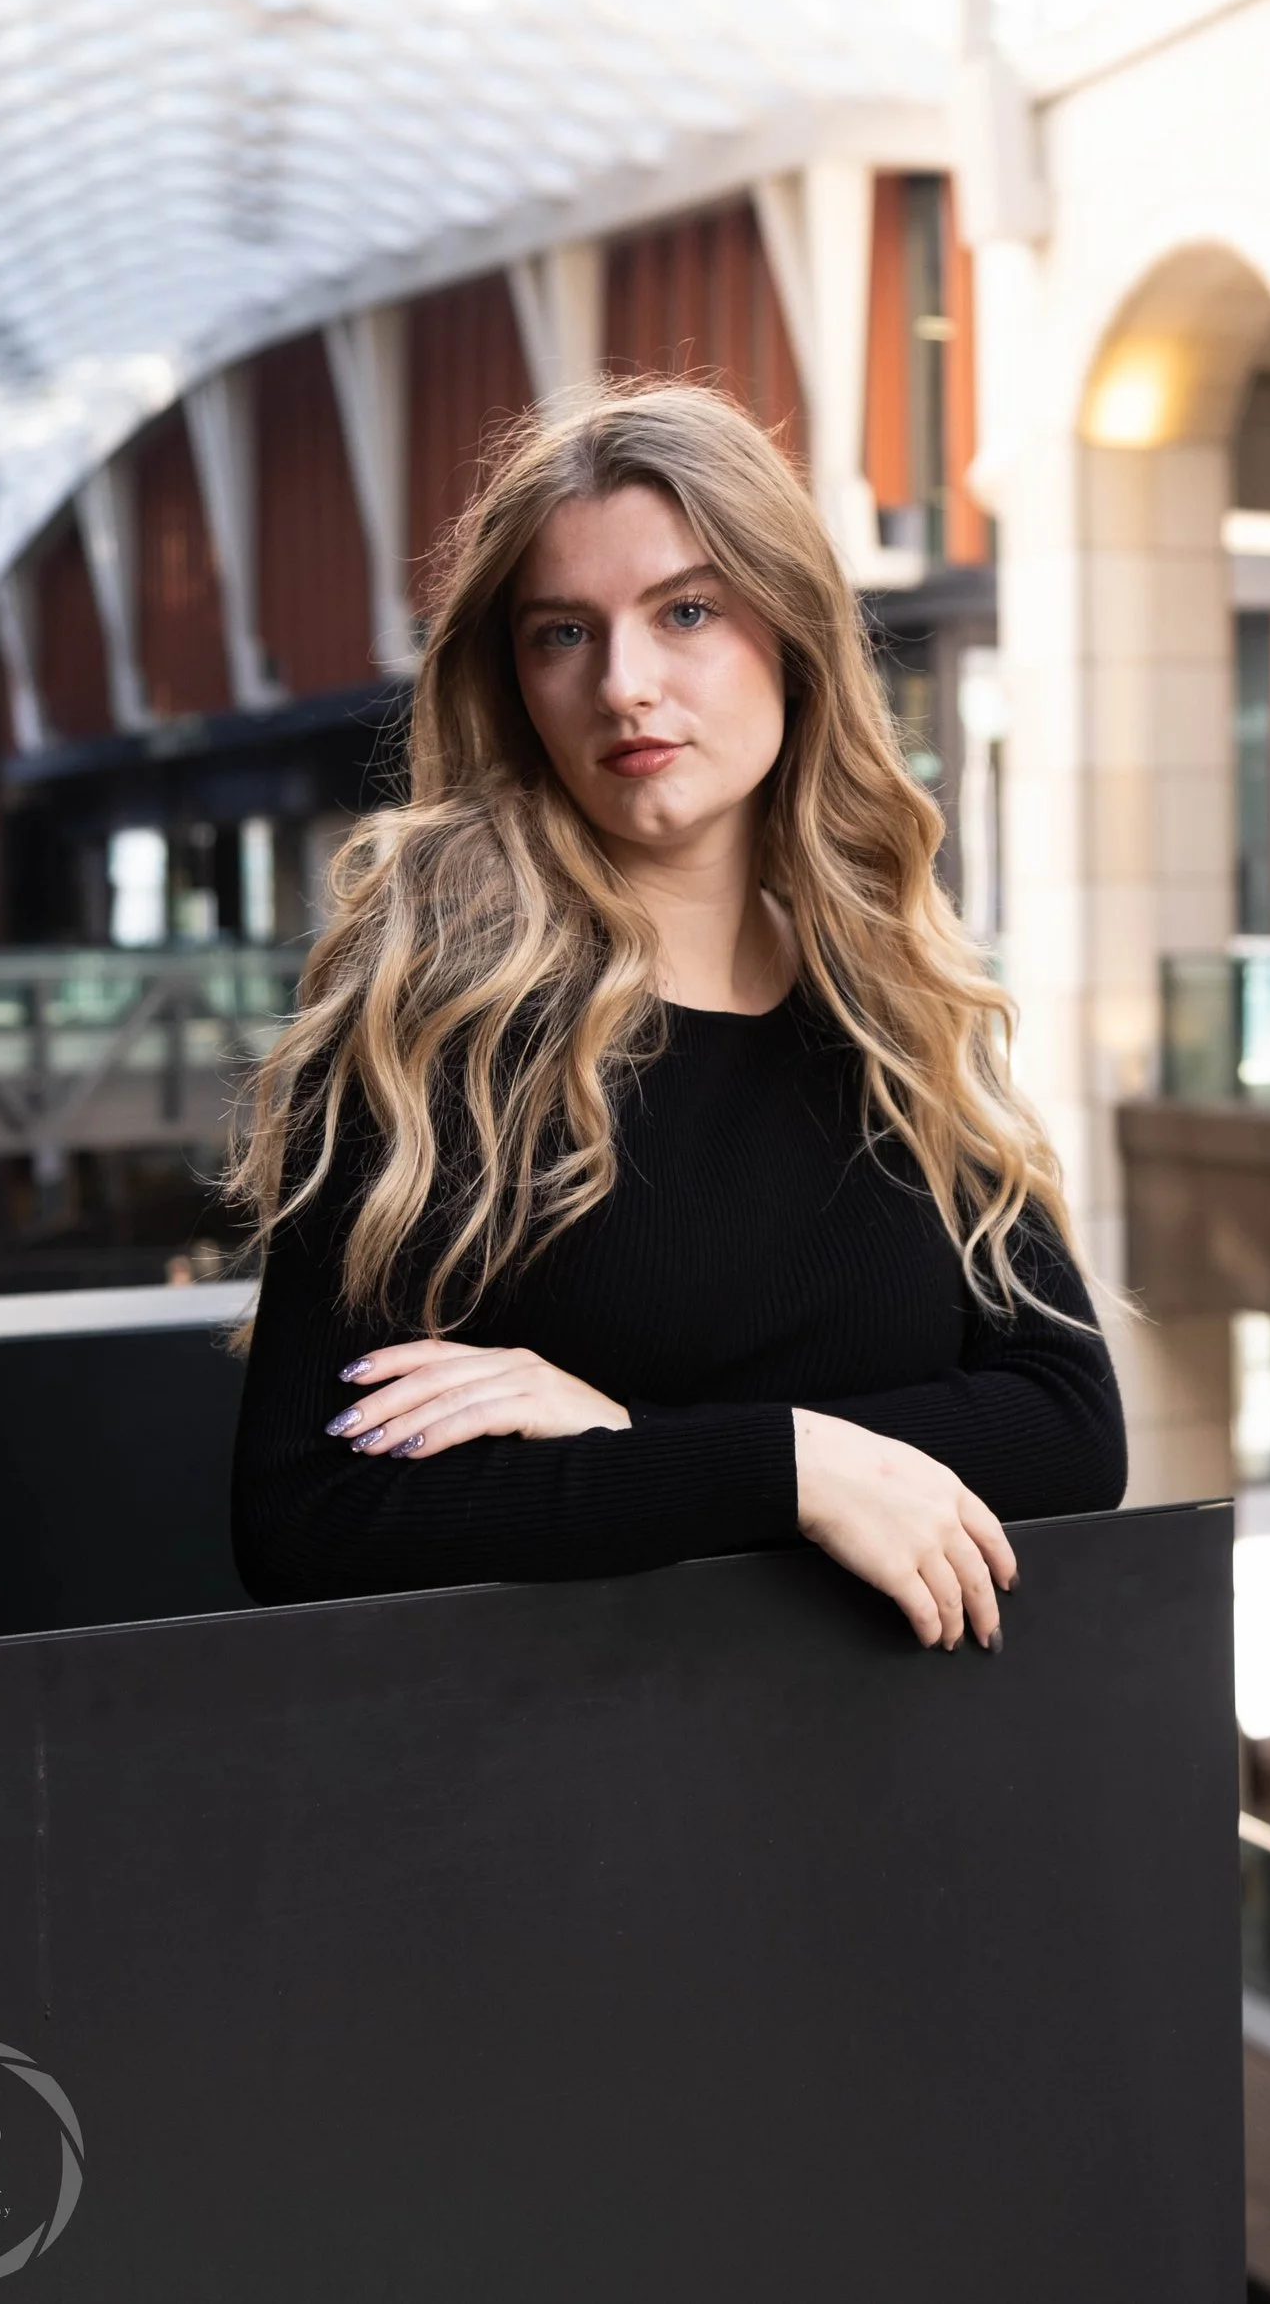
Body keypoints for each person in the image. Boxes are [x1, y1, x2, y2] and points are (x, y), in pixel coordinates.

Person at [229, 380, 1125, 1649]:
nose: (625, 683)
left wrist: (631, 1442)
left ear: (793, 634)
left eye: (687, 610)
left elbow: (1071, 1430)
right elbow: (310, 1516)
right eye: (561, 633)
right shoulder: (431, 1021)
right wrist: (789, 1469)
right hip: (578, 1799)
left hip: (894, 1805)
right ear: (517, 679)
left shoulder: (897, 1008)